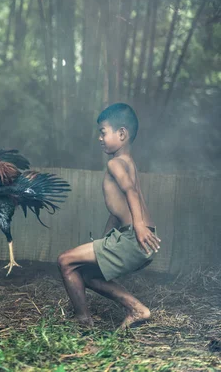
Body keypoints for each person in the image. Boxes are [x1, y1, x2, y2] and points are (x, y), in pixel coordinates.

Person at [57, 103, 162, 329]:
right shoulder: (129, 163)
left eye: (103, 132)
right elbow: (118, 212)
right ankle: (137, 309)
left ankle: (83, 321)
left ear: (121, 133)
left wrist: (139, 226)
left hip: (136, 236)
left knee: (65, 260)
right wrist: (103, 242)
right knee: (89, 275)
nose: (100, 138)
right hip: (137, 235)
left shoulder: (115, 163)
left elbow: (131, 192)